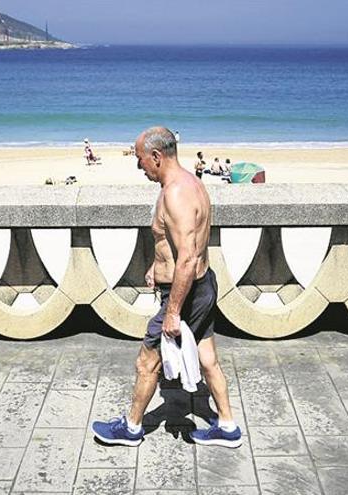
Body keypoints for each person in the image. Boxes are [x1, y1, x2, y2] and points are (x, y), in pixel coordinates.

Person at [91, 126, 242, 449]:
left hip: (184, 295)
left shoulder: (175, 193)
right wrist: (155, 266)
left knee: (147, 361)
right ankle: (227, 425)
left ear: (157, 157)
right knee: (208, 358)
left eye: (140, 159)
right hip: (201, 286)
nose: (139, 166)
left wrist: (172, 311)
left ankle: (131, 428)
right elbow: (182, 245)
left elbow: (187, 257)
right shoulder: (192, 183)